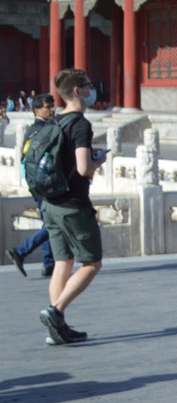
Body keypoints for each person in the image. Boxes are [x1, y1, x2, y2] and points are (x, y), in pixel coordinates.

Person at [37, 69, 107, 345]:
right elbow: (82, 167)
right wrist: (97, 162)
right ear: (78, 91)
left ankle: (59, 328)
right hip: (73, 205)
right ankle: (55, 311)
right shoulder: (80, 124)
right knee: (91, 262)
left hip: (51, 203)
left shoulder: (55, 121)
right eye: (89, 85)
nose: (92, 89)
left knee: (62, 262)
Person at [8, 93, 57, 279]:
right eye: (48, 106)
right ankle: (21, 251)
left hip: (37, 185)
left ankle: (49, 263)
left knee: (49, 223)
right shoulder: (43, 131)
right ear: (37, 110)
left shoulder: (34, 130)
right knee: (54, 224)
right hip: (46, 186)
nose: (52, 109)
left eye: (52, 105)